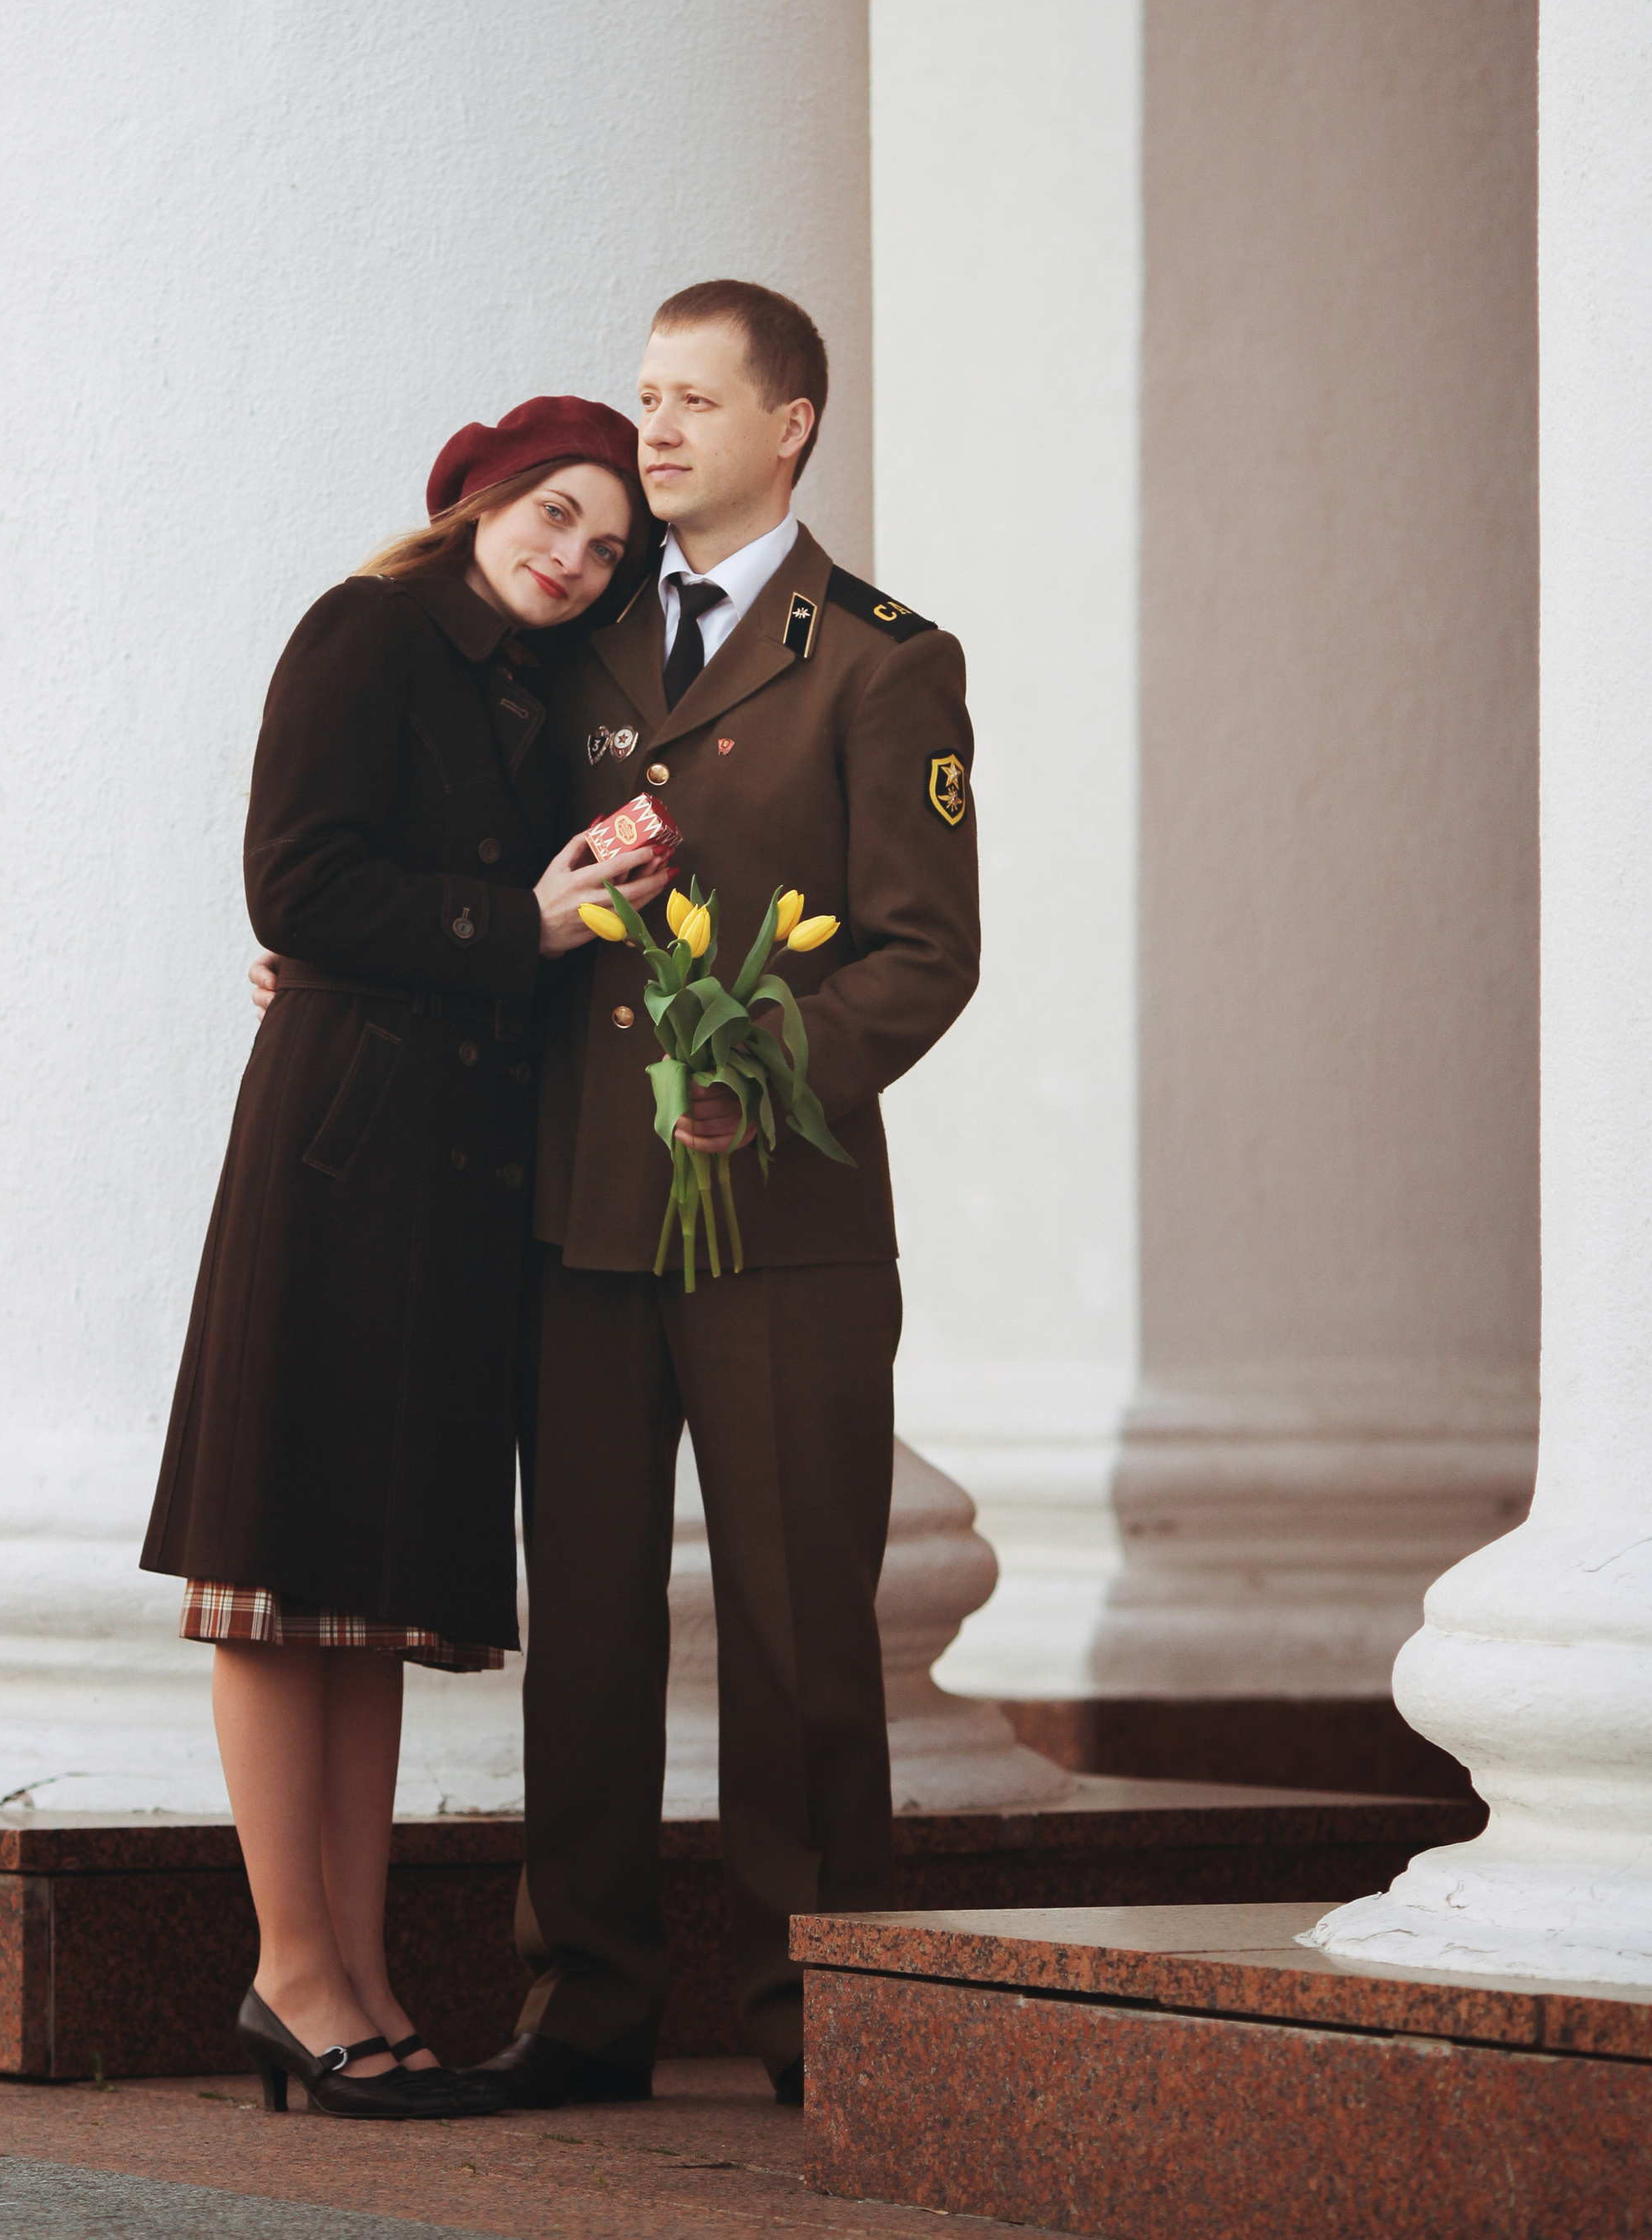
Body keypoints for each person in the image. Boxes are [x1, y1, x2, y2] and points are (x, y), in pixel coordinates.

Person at [471, 278, 983, 2114]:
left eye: (693, 401)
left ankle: (813, 2008)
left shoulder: (878, 657)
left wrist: (751, 1076)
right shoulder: (570, 632)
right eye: (640, 397)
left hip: (784, 1231)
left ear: (793, 427)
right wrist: (351, 950)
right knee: (585, 1628)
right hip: (579, 1220)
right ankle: (587, 2001)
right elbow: (482, 863)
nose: (653, 431)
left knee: (794, 1630)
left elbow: (922, 955)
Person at [142, 397, 669, 2121]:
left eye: (603, 547)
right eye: (555, 514)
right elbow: (292, 884)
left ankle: (354, 1971)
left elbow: (414, 904)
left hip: (450, 1178)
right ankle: (289, 1974)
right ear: (480, 497)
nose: (571, 557)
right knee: (278, 1559)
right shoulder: (366, 631)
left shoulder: (532, 696)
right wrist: (507, 920)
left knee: (366, 1588)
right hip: (339, 1152)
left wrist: (567, 888)